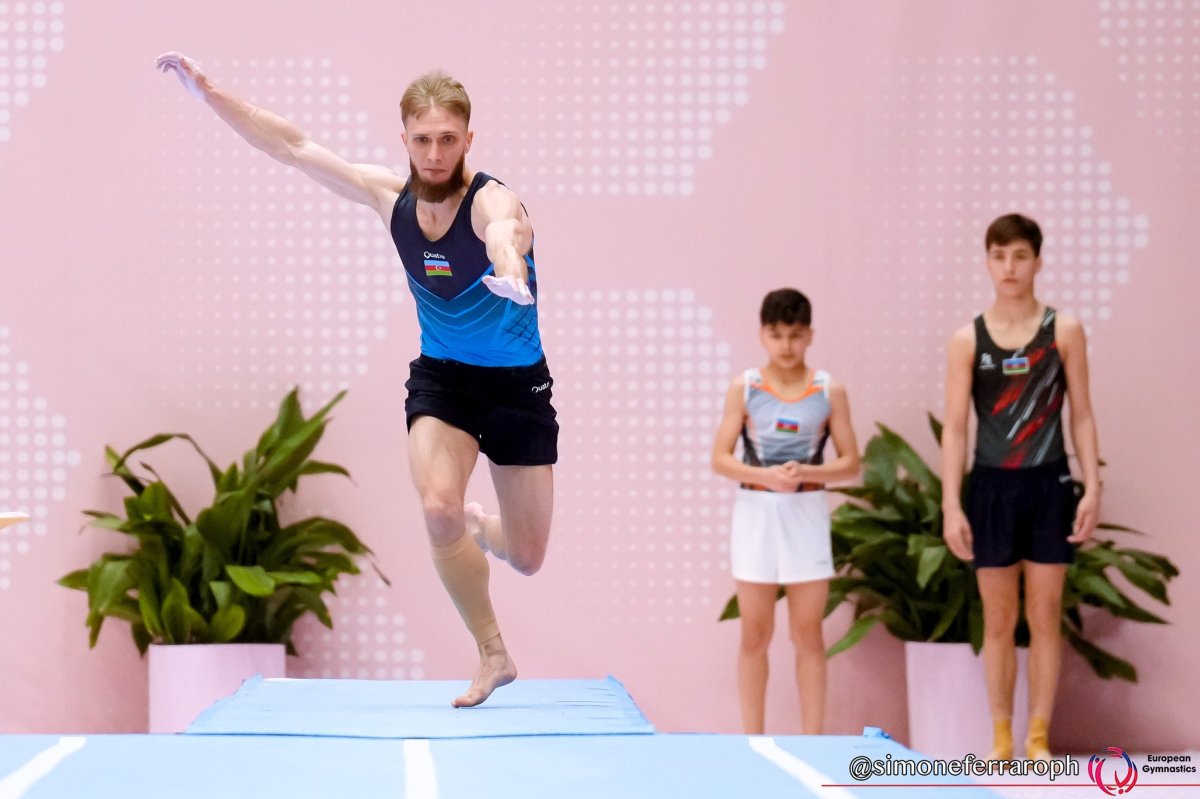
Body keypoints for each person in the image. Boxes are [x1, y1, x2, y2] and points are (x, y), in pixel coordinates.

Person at [156, 53, 558, 708]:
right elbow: (292, 146)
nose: (434, 155)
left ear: (469, 139)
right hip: (444, 382)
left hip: (518, 388)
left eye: (448, 140)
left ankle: (484, 530)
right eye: (422, 140)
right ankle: (493, 652)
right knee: (437, 508)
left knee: (528, 556)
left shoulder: (491, 199)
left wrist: (510, 263)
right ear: (404, 139)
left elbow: (505, 230)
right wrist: (210, 95)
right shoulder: (387, 196)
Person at [940, 213, 1100, 761]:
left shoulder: (1064, 331)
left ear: (1038, 261)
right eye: (999, 256)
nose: (1009, 267)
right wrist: (950, 504)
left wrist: (1092, 486)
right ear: (987, 262)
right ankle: (1001, 739)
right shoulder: (967, 340)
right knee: (1000, 618)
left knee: (1045, 614)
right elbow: (956, 427)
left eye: (1020, 256)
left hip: (1048, 483)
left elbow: (1082, 413)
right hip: (991, 489)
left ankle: (1038, 738)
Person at [710, 289, 860, 735]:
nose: (786, 346)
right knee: (754, 634)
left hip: (806, 513)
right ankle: (752, 740)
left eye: (795, 335)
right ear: (762, 335)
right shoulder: (746, 387)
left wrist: (807, 471)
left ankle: (813, 740)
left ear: (809, 335)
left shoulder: (829, 390)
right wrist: (766, 476)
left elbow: (850, 463)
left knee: (808, 634)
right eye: (776, 335)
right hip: (756, 513)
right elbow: (721, 458)